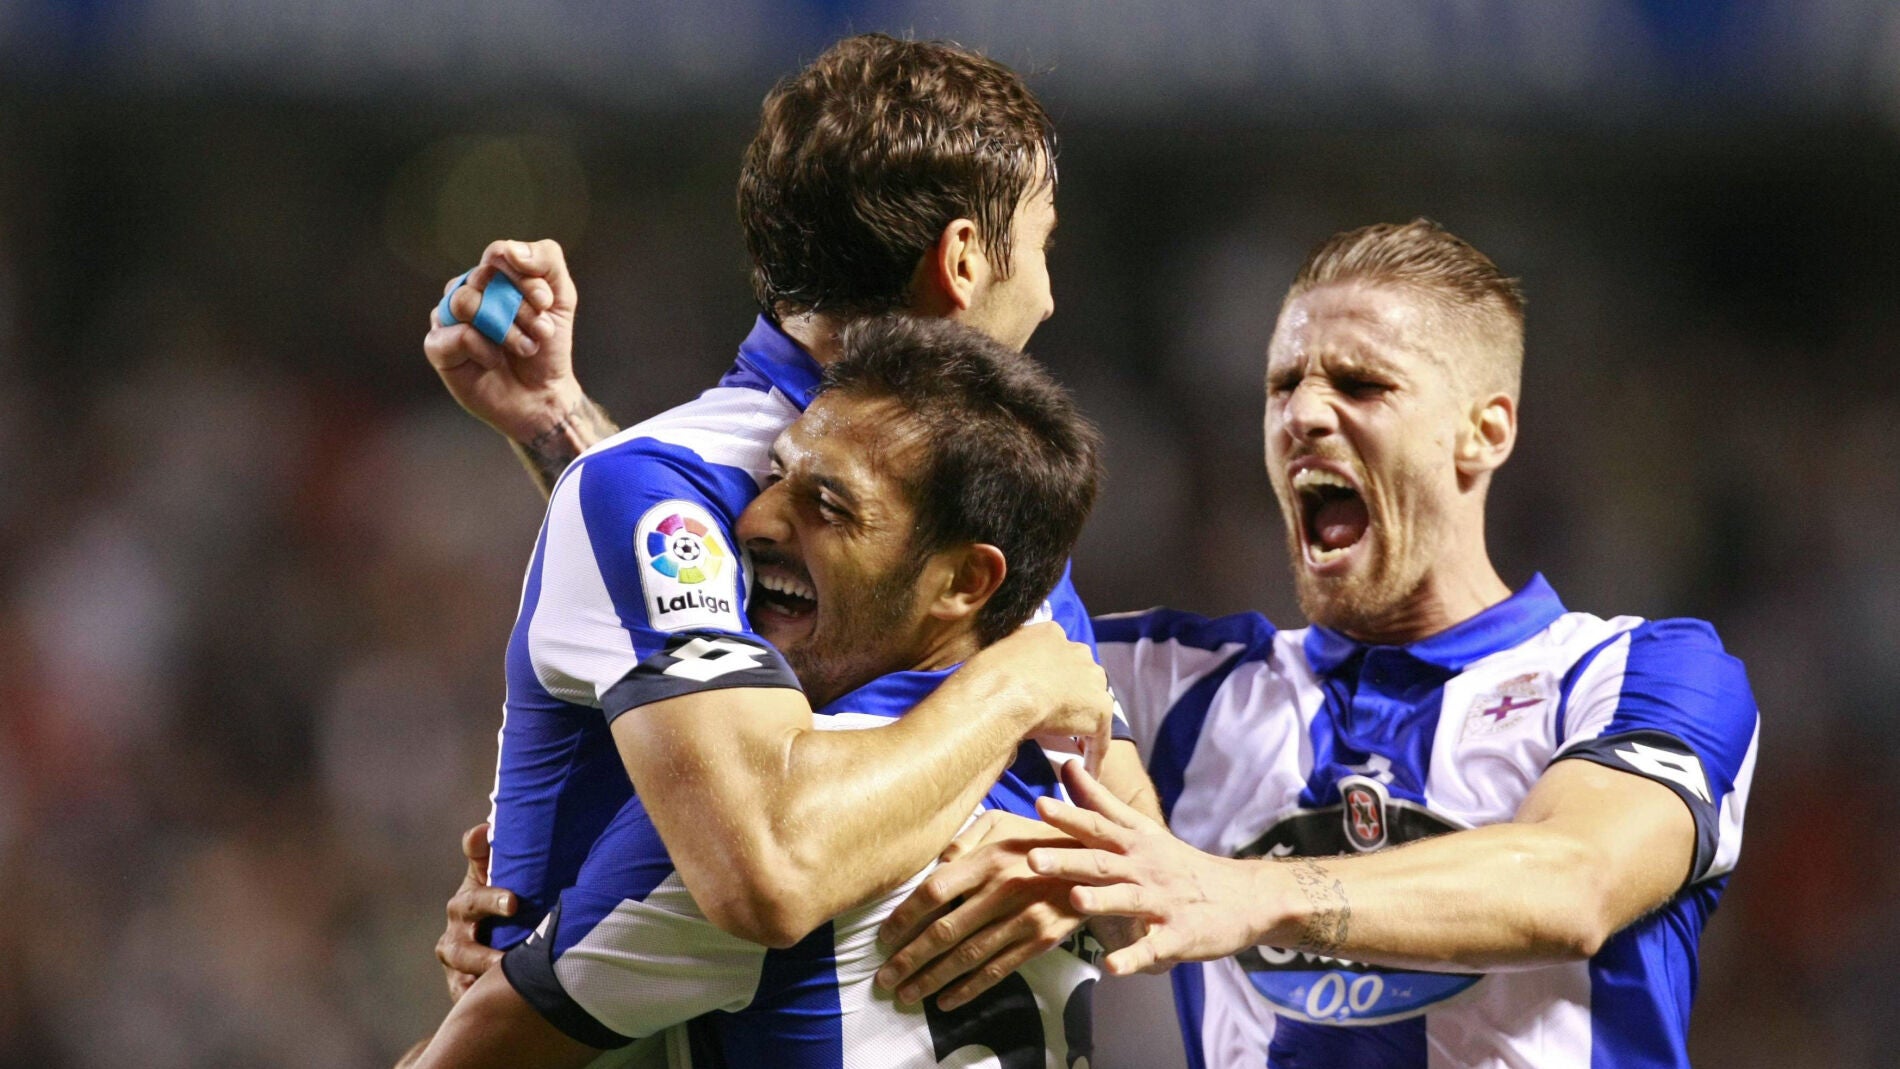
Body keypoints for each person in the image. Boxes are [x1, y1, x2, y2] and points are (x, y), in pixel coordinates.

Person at [418, 30, 1158, 1018]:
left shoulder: (965, 491)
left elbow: (1134, 856)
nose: (1050, 292)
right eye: (1042, 246)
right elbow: (764, 868)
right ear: (965, 259)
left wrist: (1045, 866)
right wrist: (1016, 690)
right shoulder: (670, 486)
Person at [904, 219, 1756, 1068]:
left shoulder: (1639, 673)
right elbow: (955, 603)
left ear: (1485, 432)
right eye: (1283, 385)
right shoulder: (1171, 687)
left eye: (1361, 383)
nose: (1304, 413)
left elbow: (1575, 882)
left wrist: (1241, 892)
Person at [408, 316, 1110, 1068]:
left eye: (829, 507)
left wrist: (526, 938)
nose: (755, 519)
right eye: (777, 477)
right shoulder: (1070, 768)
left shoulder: (762, 830)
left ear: (966, 582)